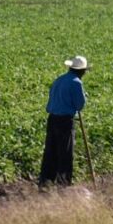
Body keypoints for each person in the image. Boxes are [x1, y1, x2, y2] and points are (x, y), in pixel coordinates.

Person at [39, 55, 88, 187]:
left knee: (51, 151)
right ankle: (63, 184)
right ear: (81, 71)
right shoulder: (76, 82)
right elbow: (79, 105)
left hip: (52, 119)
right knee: (65, 153)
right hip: (65, 121)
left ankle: (45, 182)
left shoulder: (59, 80)